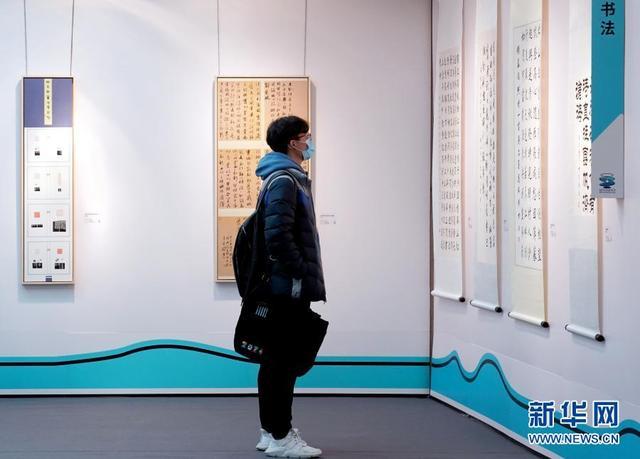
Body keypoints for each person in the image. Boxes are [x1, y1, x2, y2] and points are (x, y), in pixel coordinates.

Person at [253, 116, 326, 458]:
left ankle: (271, 431)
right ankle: (281, 437)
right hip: (288, 287)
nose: (310, 143)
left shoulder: (282, 177)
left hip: (284, 285)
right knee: (282, 363)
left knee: (274, 361)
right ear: (293, 143)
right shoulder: (285, 180)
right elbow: (278, 237)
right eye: (306, 137)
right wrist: (301, 271)